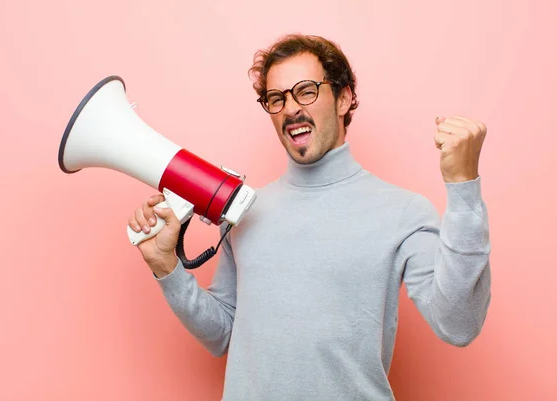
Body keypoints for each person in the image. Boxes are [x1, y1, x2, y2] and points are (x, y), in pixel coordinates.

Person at [127, 34, 491, 400]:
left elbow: (458, 325)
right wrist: (166, 267)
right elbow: (222, 334)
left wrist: (464, 189)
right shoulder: (244, 211)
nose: (290, 109)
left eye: (306, 91)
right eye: (276, 98)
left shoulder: (403, 212)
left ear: (344, 97)